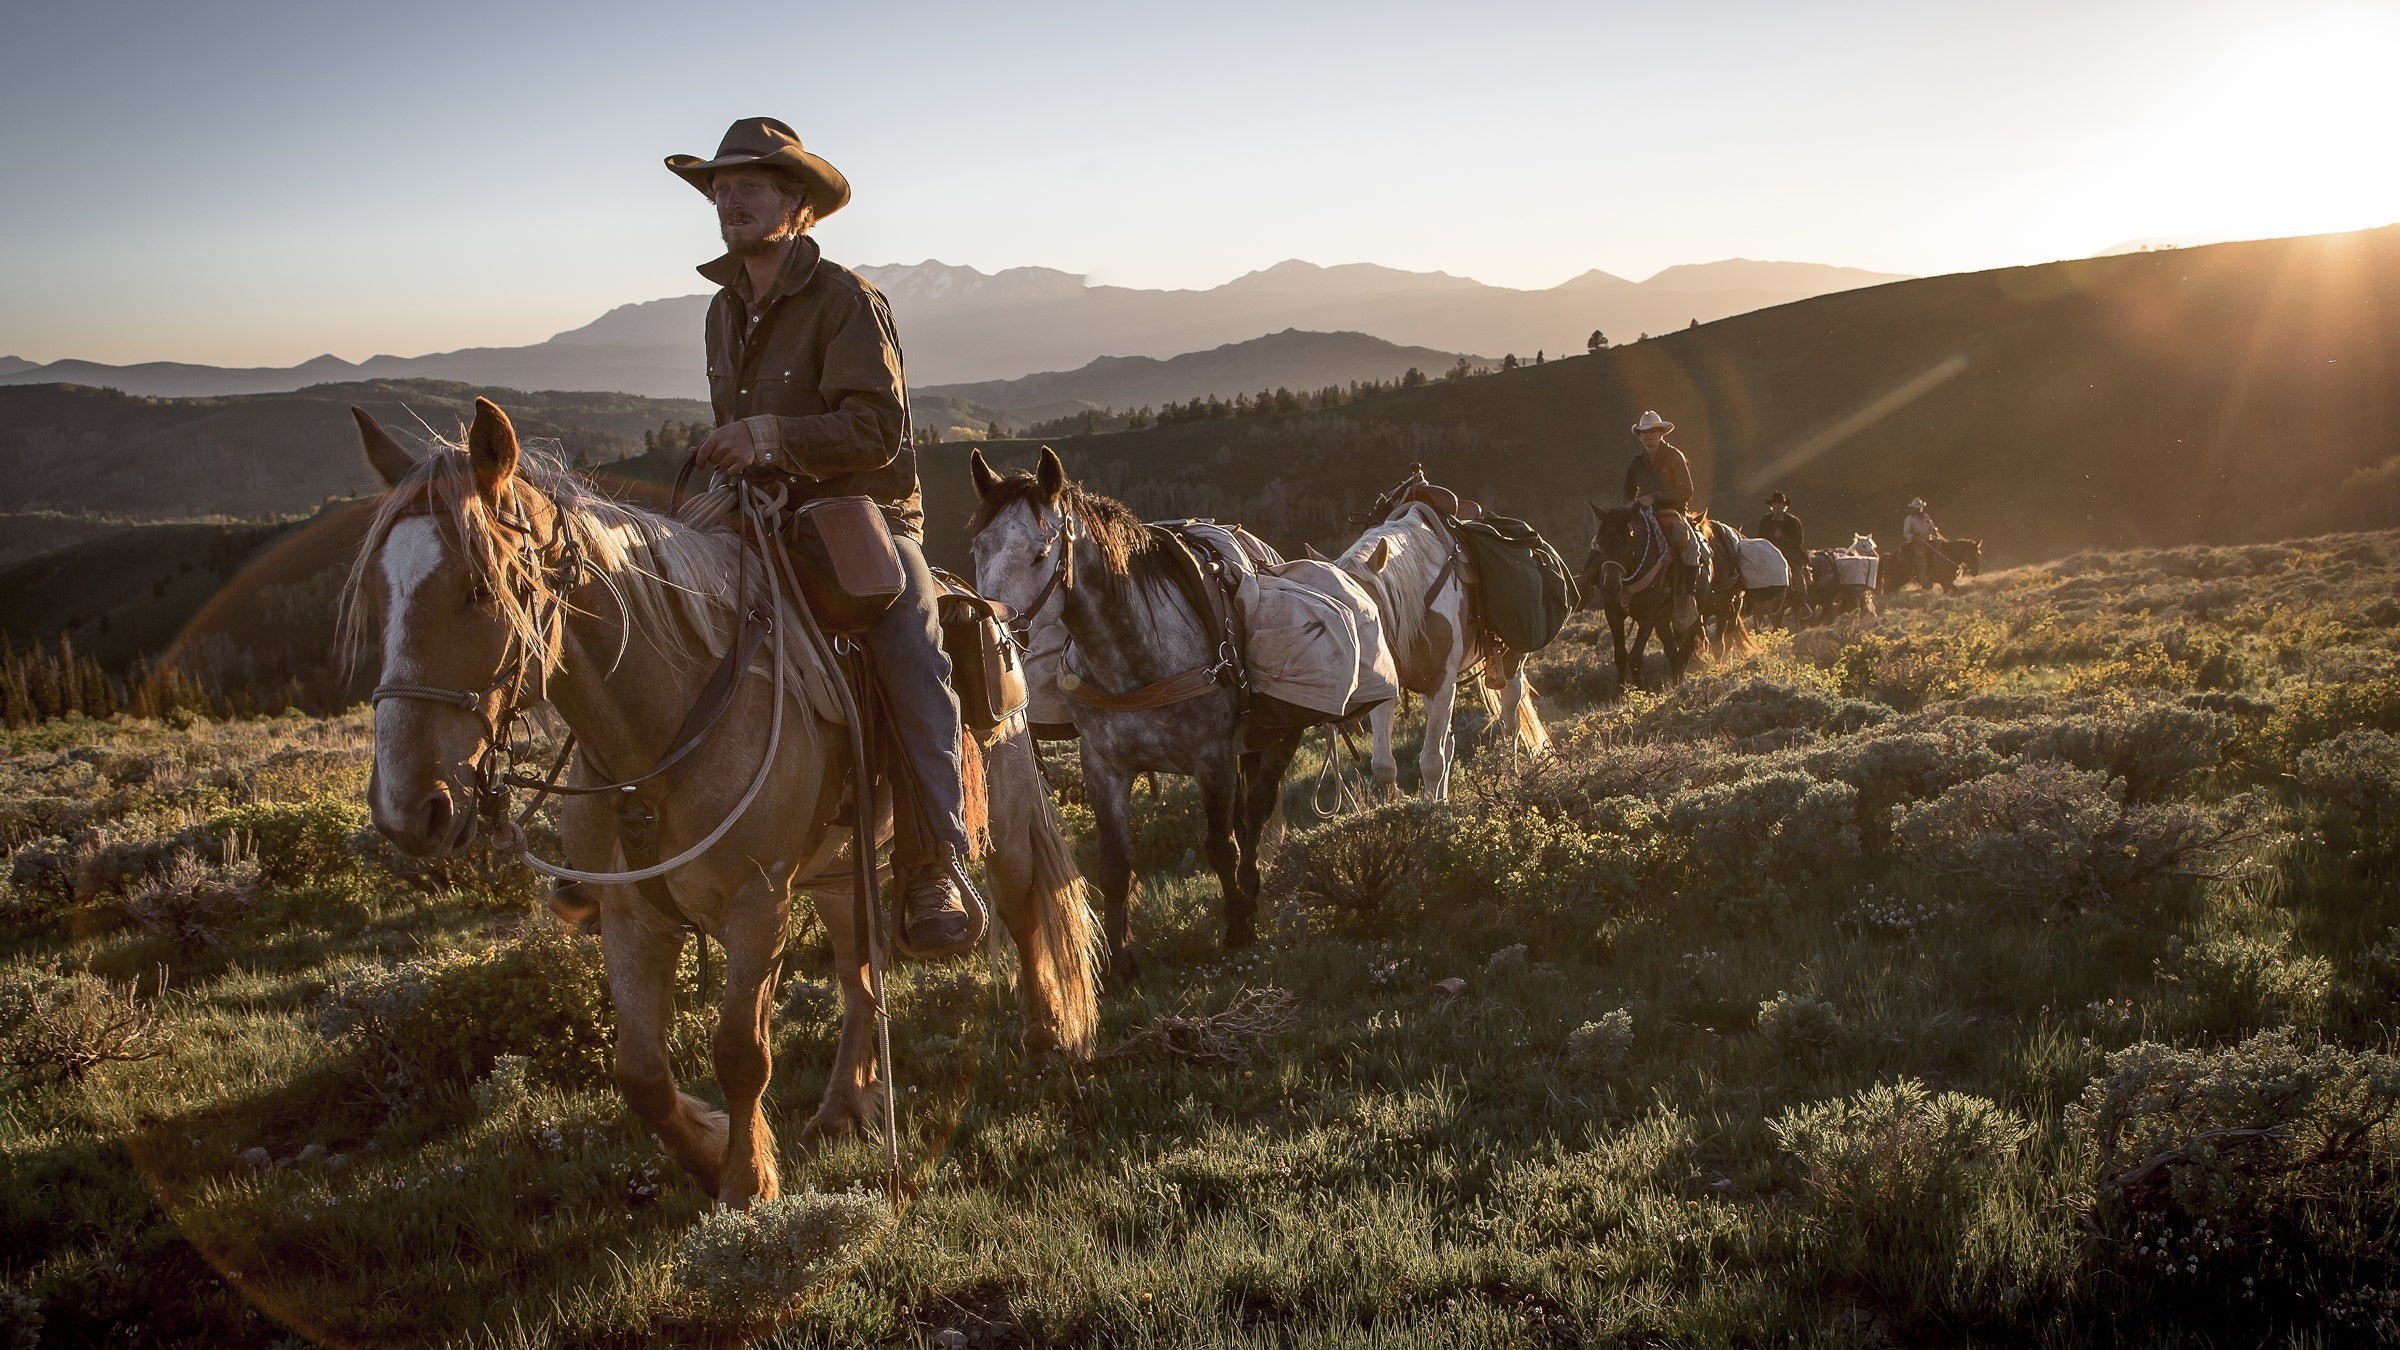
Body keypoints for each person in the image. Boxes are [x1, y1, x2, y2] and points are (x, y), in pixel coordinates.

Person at [670, 117, 974, 955]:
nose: (728, 198)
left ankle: (934, 860)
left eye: (750, 185)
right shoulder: (720, 311)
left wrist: (769, 437)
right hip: (755, 513)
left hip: (859, 513)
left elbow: (878, 431)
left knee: (908, 629)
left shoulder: (846, 301)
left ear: (797, 204)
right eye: (719, 187)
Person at [1621, 410, 1703, 626]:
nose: (1648, 436)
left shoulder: (1675, 456)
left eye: (1653, 432)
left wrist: (1656, 497)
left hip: (1672, 511)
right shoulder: (1636, 462)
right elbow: (1628, 490)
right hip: (1643, 513)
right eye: (1644, 433)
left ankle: (1689, 593)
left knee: (1690, 545)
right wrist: (1631, 503)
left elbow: (1687, 490)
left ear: (1660, 434)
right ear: (1639, 436)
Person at [1901, 496, 1942, 586]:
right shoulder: (1909, 519)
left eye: (1920, 508)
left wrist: (1934, 530)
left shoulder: (1926, 516)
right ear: (1913, 509)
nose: (1919, 510)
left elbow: (1932, 526)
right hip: (1917, 542)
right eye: (1917, 508)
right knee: (1921, 554)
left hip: (1928, 539)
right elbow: (1906, 533)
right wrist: (1913, 537)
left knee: (1940, 548)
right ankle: (1923, 578)